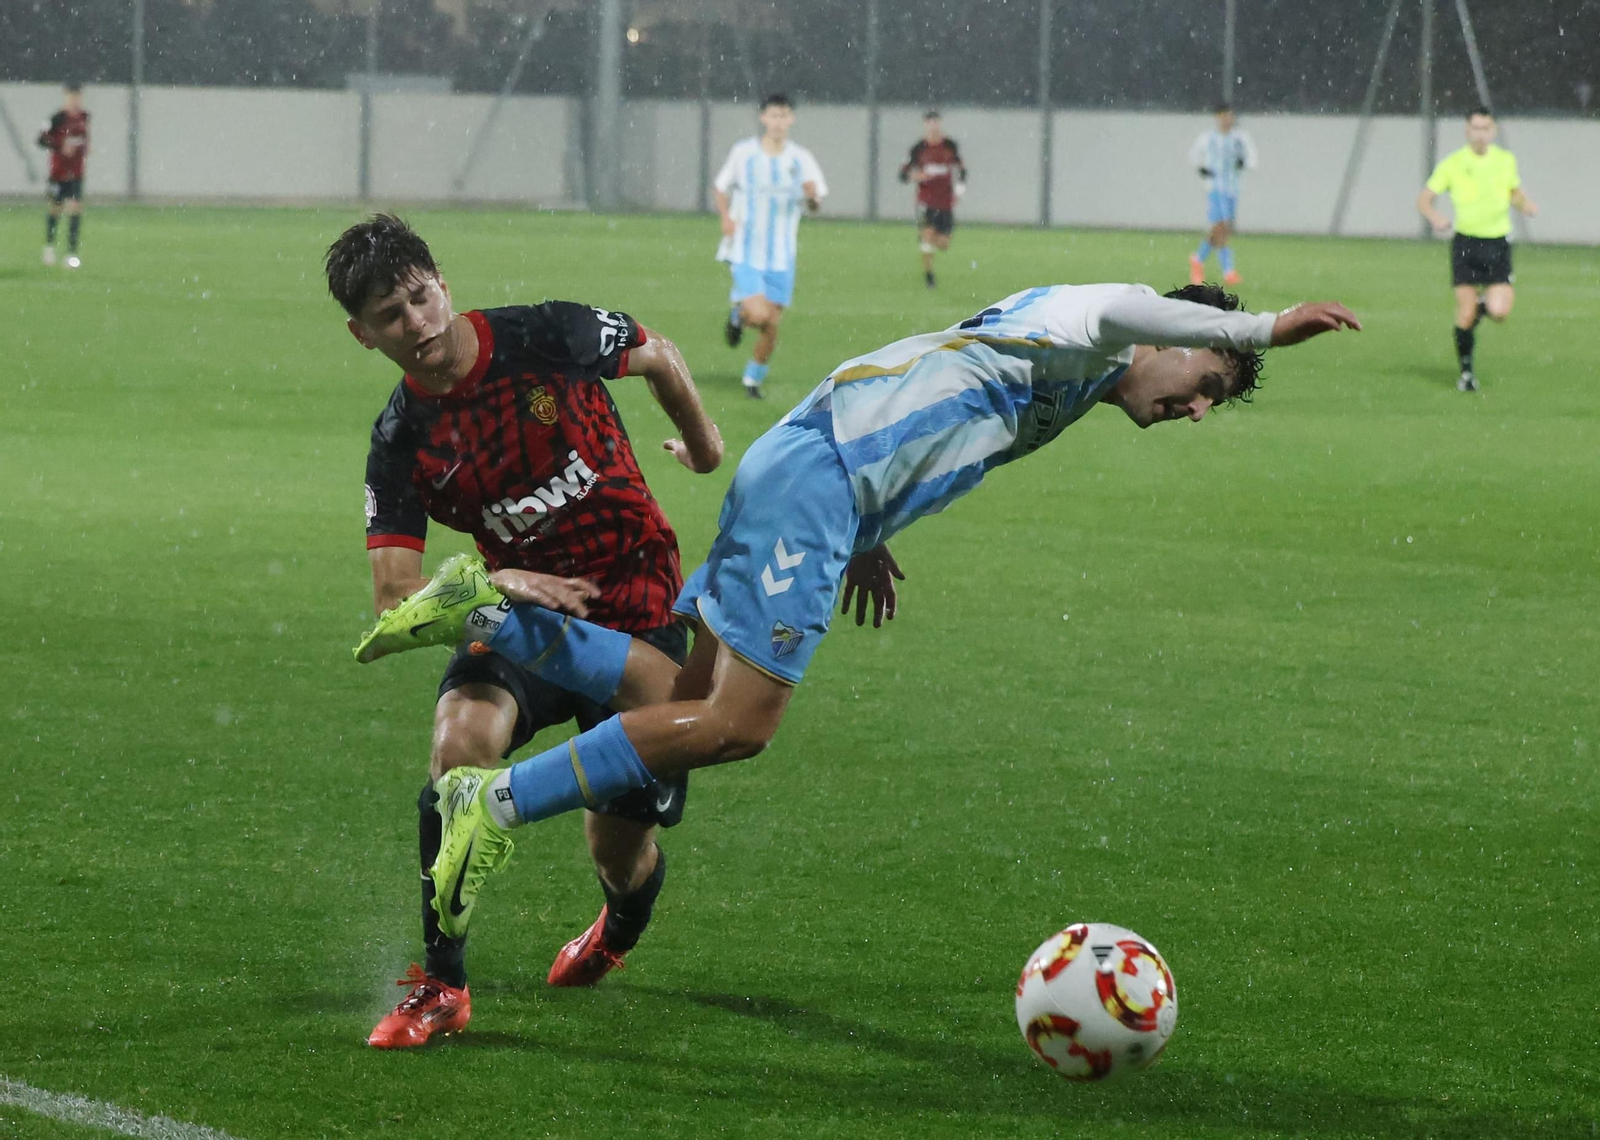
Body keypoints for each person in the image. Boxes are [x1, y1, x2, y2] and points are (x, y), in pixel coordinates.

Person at [355, 283, 1361, 933]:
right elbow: (1131, 307)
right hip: (815, 487)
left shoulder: (1069, 367)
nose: (1193, 406)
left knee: (670, 696)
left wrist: (866, 529)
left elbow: (901, 372)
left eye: (1211, 403)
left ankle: (481, 616)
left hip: (815, 477)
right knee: (737, 727)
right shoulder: (1089, 323)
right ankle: (494, 802)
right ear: (1168, 334)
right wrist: (1261, 327)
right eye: (1205, 381)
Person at [326, 214, 723, 1048]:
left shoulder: (550, 335)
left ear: (442, 281)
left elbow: (659, 353)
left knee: (619, 853)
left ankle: (616, 927)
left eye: (421, 296)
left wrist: (704, 444)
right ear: (364, 336)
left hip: (641, 607)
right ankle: (442, 983)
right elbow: (395, 593)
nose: (418, 322)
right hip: (523, 618)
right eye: (391, 315)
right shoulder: (402, 440)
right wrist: (499, 581)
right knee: (457, 743)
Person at [713, 94, 828, 399]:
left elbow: (815, 203)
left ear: (791, 119)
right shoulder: (744, 153)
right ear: (763, 118)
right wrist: (726, 218)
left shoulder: (801, 159)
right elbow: (720, 186)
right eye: (773, 115)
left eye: (784, 116)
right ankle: (741, 315)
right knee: (760, 314)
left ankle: (752, 379)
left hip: (782, 255)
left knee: (772, 323)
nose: (778, 122)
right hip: (746, 249)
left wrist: (813, 196)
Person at [1416, 106, 1538, 392]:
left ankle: (1478, 308)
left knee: (1499, 311)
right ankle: (1467, 374)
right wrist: (1436, 218)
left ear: (1493, 131)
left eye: (1486, 128)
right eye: (1476, 128)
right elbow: (1424, 199)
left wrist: (1525, 204)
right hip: (1465, 245)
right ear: (1467, 131)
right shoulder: (1453, 163)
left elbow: (1513, 191)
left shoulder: (1505, 160)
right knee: (1465, 313)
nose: (1481, 134)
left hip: (1497, 244)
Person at [1187, 104, 1256, 287]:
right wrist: (1201, 168)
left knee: (1223, 229)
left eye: (1229, 116)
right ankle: (1226, 270)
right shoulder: (1208, 138)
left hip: (1233, 189)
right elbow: (1194, 155)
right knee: (1221, 225)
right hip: (1216, 188)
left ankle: (1199, 259)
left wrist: (1244, 163)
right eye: (1223, 116)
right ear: (1217, 117)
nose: (1226, 120)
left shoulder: (1240, 138)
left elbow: (1251, 158)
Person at [898, 110, 967, 289]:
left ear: (940, 123)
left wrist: (959, 191)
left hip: (945, 201)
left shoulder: (950, 146)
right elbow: (903, 174)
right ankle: (929, 276)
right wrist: (917, 176)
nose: (934, 125)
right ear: (925, 124)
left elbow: (962, 170)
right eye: (930, 122)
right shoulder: (918, 149)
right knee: (928, 236)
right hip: (925, 201)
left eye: (936, 122)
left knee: (944, 244)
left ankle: (925, 237)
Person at [37, 82, 89, 269]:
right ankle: (49, 247)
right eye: (71, 97)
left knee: (75, 208)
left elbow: (84, 139)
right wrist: (60, 146)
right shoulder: (57, 118)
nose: (74, 101)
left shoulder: (84, 117)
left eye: (77, 97)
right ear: (65, 98)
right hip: (58, 173)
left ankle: (71, 254)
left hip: (76, 173)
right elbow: (41, 139)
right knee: (55, 209)